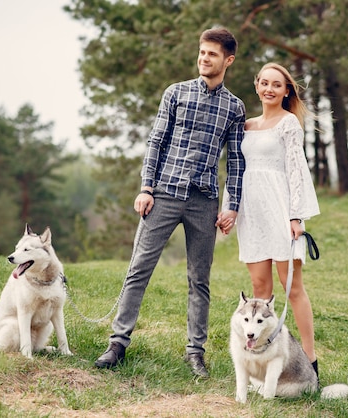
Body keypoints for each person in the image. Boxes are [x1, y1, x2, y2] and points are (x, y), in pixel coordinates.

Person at [94, 27, 246, 378]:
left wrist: (231, 205)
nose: (204, 58)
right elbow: (156, 142)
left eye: (212, 54)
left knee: (199, 280)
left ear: (228, 60)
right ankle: (118, 343)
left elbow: (236, 161)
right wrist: (146, 187)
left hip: (204, 201)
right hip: (163, 193)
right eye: (202, 51)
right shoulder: (175, 93)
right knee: (138, 269)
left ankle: (195, 352)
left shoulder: (235, 107)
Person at [220, 62, 321, 375]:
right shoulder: (246, 126)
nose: (269, 89)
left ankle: (310, 360)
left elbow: (296, 169)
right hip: (252, 213)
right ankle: (261, 361)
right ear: (256, 85)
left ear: (286, 90)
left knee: (292, 289)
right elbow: (236, 170)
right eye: (264, 83)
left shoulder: (289, 123)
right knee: (259, 287)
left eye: (276, 84)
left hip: (279, 210)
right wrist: (229, 207)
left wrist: (296, 216)